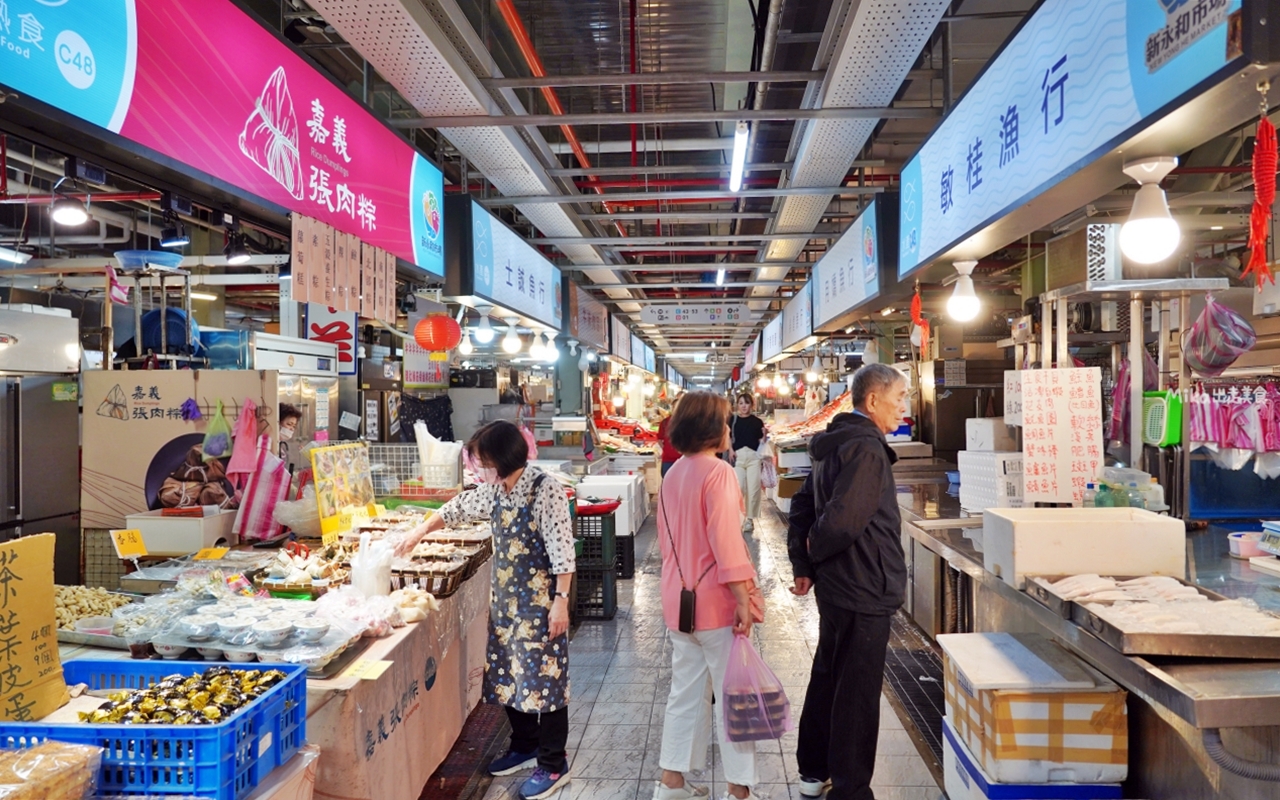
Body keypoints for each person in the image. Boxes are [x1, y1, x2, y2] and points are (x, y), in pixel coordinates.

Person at [395, 420, 576, 800]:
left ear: (504, 457)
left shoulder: (546, 491)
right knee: (509, 676)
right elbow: (458, 508)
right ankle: (524, 746)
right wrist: (418, 532)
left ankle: (552, 762)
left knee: (546, 682)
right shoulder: (494, 491)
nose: (479, 468)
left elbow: (563, 552)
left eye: (483, 460)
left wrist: (561, 602)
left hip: (541, 606)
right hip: (506, 605)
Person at [786, 363, 910, 800]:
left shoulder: (834, 444)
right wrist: (813, 556)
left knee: (829, 675)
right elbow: (841, 522)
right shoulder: (866, 449)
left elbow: (801, 505)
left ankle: (813, 771)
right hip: (863, 586)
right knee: (856, 693)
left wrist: (805, 565)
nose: (903, 408)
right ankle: (851, 790)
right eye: (898, 399)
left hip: (840, 587)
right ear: (872, 400)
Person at [654, 391, 761, 800]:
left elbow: (667, 543)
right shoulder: (718, 473)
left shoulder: (673, 472)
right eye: (726, 420)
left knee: (684, 694)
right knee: (734, 696)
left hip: (677, 600)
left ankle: (672, 784)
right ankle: (739, 789)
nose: (730, 428)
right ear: (713, 429)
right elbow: (726, 541)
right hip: (715, 602)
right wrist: (741, 597)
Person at [728, 394, 770, 531]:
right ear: (737, 405)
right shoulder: (732, 420)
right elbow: (727, 437)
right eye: (741, 403)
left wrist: (764, 435)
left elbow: (761, 442)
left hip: (753, 457)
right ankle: (739, 516)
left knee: (754, 488)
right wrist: (730, 450)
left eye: (746, 403)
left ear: (751, 405)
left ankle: (750, 519)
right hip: (738, 456)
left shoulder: (757, 422)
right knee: (739, 488)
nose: (744, 406)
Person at [657, 400, 681, 477]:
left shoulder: (687, 423)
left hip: (684, 460)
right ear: (672, 408)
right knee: (667, 482)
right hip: (668, 460)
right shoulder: (664, 422)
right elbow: (659, 439)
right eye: (675, 407)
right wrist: (666, 449)